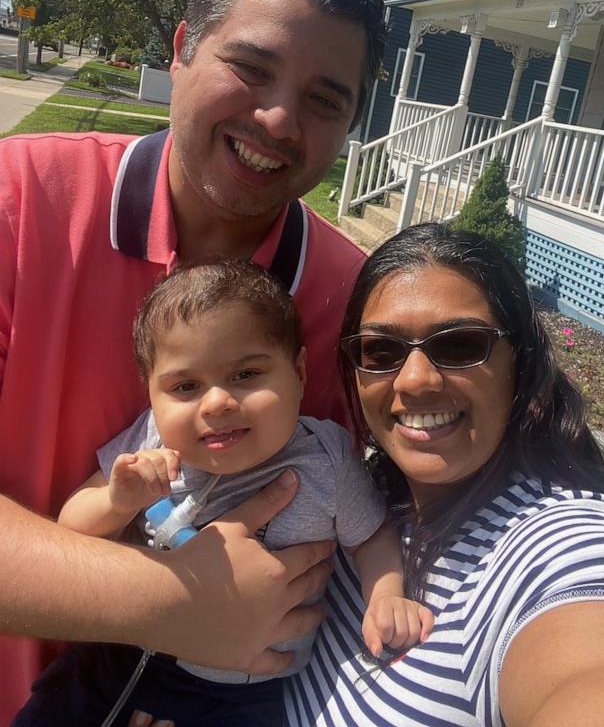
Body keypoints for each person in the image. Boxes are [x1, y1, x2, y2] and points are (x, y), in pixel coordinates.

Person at [0, 0, 386, 722]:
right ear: (182, 49)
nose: (280, 119)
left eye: (324, 100)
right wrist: (170, 600)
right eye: (250, 67)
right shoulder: (19, 198)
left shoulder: (356, 303)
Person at [285, 223, 604, 727]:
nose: (415, 380)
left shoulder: (570, 548)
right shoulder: (358, 493)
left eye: (460, 345)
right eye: (382, 352)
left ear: (520, 364)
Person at [13, 258, 433, 726]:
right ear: (151, 394)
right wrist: (118, 501)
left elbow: (371, 536)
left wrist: (386, 593)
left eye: (246, 375)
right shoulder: (152, 440)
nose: (217, 402)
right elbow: (72, 525)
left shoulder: (326, 458)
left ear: (298, 372)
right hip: (122, 652)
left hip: (243, 688)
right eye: (186, 386)